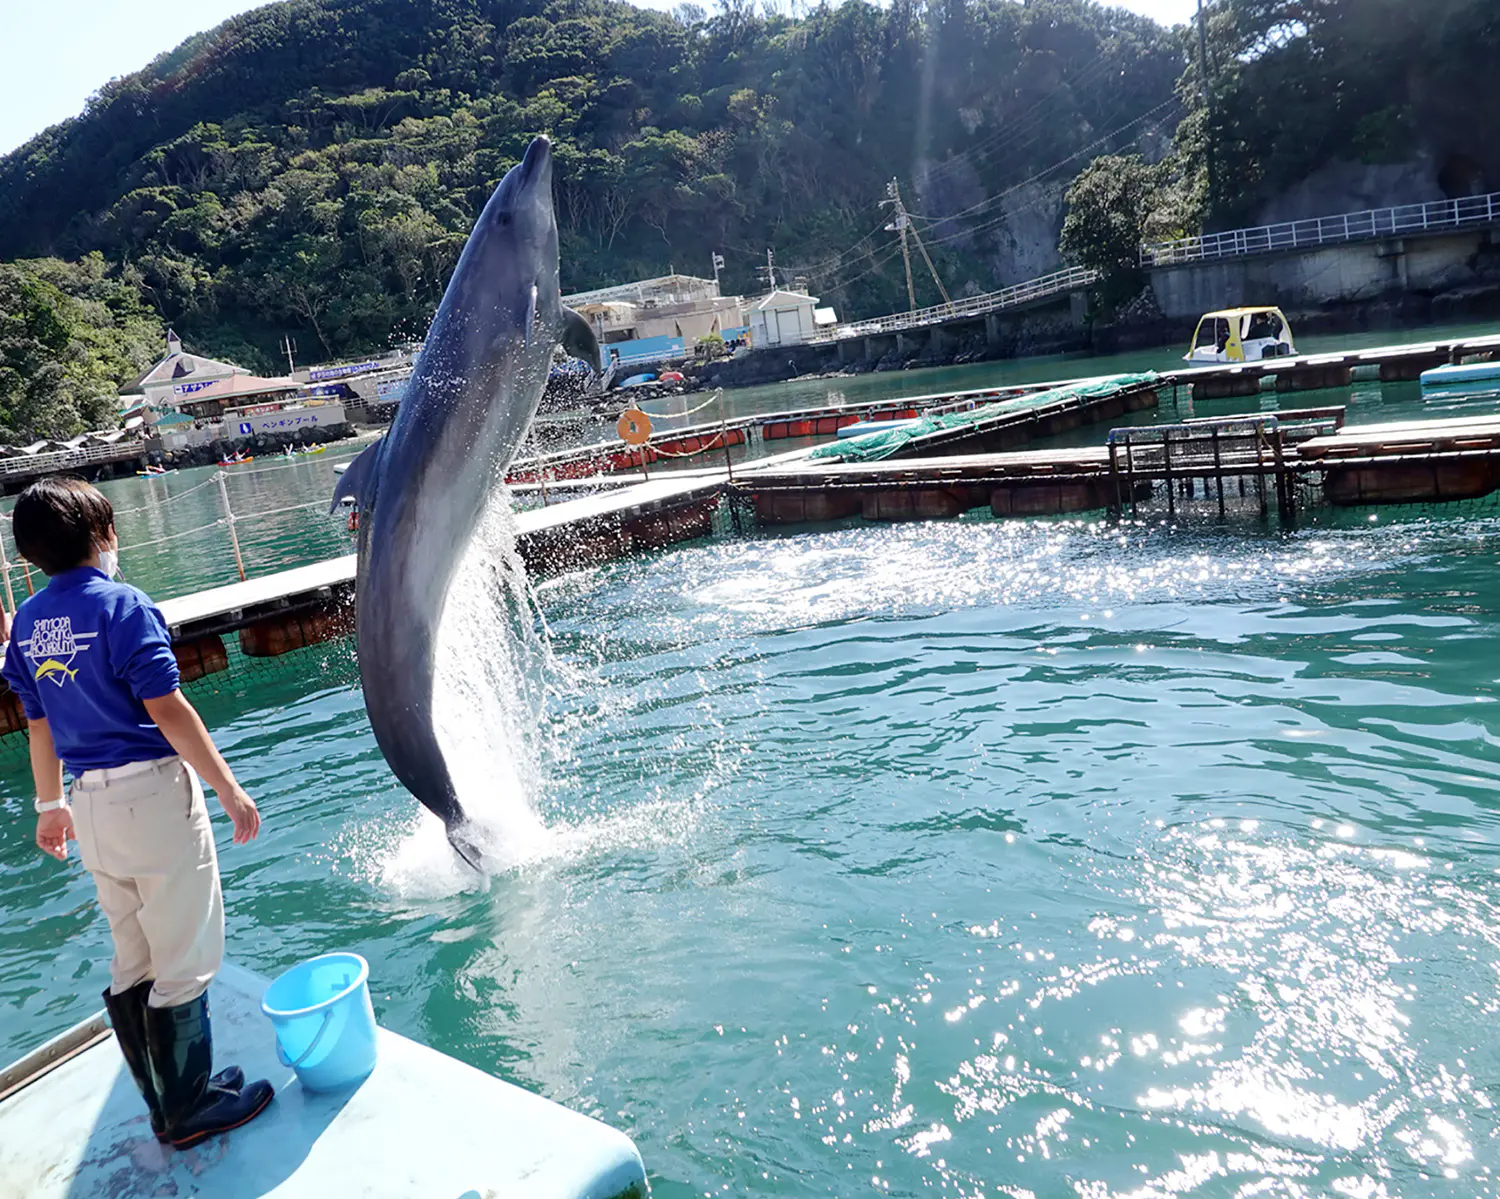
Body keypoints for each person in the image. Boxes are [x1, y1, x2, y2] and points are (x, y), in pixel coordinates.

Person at [3, 477, 274, 1150]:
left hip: (88, 802)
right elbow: (168, 709)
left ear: (31, 555)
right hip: (150, 797)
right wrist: (229, 788)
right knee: (185, 953)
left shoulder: (31, 622)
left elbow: (37, 723)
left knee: (135, 955)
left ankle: (164, 1095)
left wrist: (49, 806)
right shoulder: (123, 605)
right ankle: (188, 1110)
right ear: (103, 536)